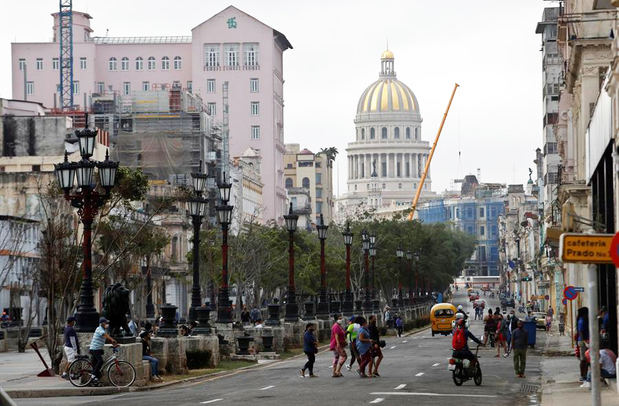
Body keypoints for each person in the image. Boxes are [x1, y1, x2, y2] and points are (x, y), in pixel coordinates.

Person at [89, 317, 117, 384]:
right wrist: (112, 340)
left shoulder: (104, 330)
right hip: (95, 348)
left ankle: (95, 380)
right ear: (102, 323)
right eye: (105, 323)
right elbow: (105, 335)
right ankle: (93, 375)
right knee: (100, 361)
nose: (107, 324)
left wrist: (113, 344)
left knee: (97, 365)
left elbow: (105, 338)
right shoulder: (99, 329)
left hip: (98, 349)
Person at [577, 307, 590, 382]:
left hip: (584, 341)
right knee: (583, 359)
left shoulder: (584, 319)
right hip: (583, 341)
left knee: (586, 359)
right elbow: (581, 332)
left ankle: (585, 374)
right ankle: (582, 375)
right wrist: (585, 341)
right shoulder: (582, 320)